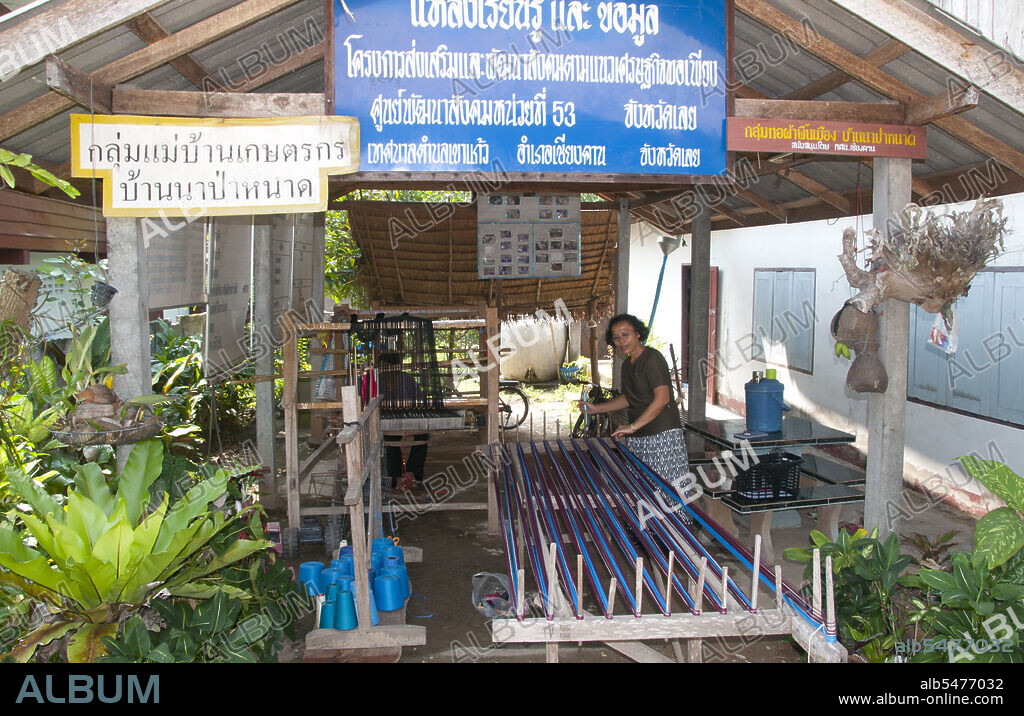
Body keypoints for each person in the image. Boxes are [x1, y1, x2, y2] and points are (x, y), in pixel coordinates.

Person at [579, 314, 693, 519]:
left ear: (638, 334)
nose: (621, 341)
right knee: (643, 490)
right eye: (616, 337)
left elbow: (662, 398)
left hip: (662, 436)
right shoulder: (628, 365)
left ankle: (678, 540)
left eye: (626, 334)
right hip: (639, 436)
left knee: (667, 491)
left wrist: (631, 427)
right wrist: (597, 409)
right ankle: (650, 537)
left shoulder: (652, 358)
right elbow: (629, 398)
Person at [378, 351, 429, 490]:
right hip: (388, 420)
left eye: (387, 367)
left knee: (423, 435)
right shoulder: (377, 381)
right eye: (381, 367)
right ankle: (396, 478)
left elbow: (420, 398)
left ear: (396, 367)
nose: (384, 371)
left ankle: (413, 474)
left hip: (408, 417)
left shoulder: (406, 379)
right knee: (391, 440)